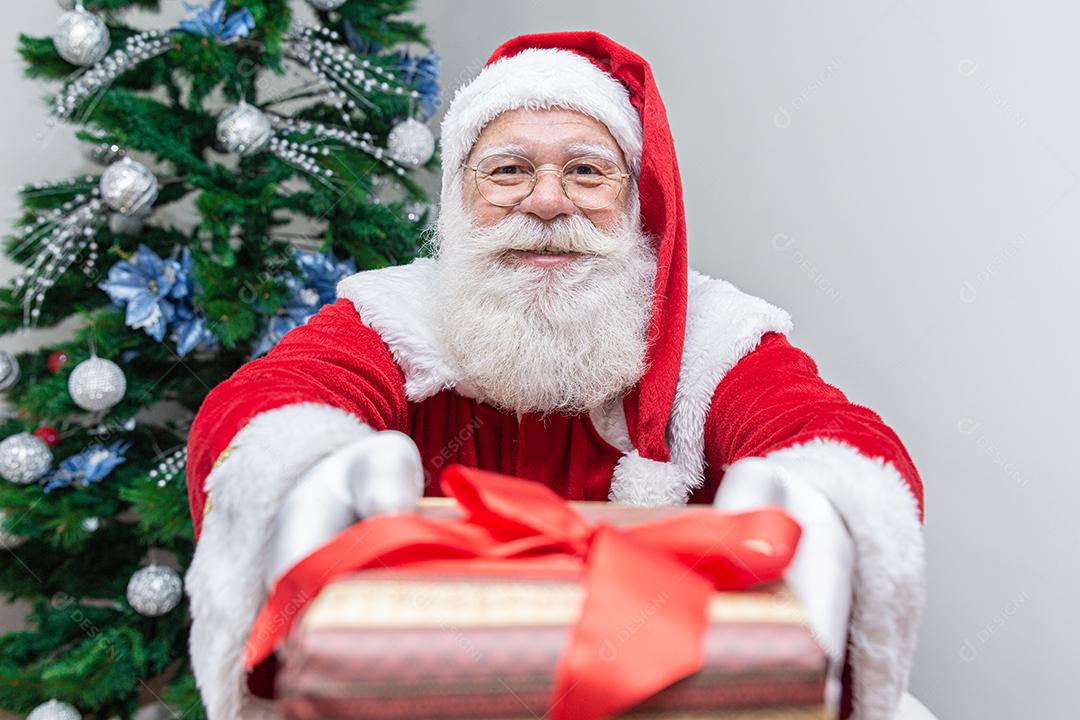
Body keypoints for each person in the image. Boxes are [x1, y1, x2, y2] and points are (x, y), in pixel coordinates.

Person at [184, 31, 927, 720]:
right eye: (508, 171)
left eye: (586, 171)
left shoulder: (710, 334)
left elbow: (825, 430)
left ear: (635, 205)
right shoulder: (393, 315)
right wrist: (309, 462)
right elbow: (272, 397)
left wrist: (819, 494)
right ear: (458, 199)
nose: (546, 201)